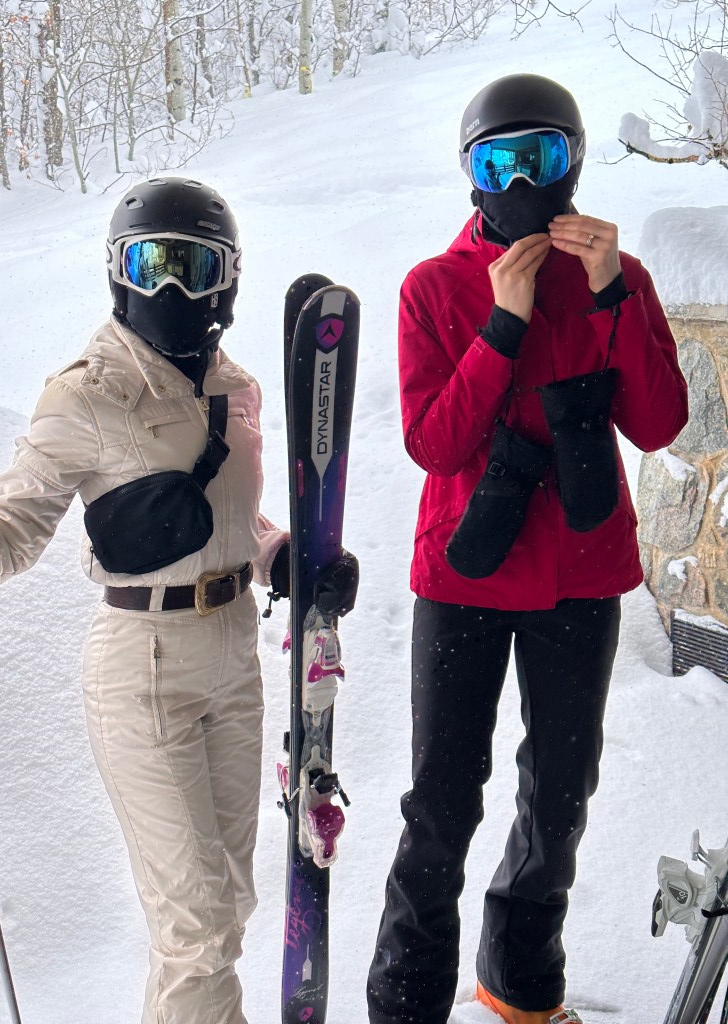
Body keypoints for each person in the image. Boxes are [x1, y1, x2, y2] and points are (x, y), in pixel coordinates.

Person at [0, 176, 357, 1024]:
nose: (170, 287)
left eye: (192, 265)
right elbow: (18, 517)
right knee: (197, 923)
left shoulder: (237, 389)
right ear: (118, 271)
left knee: (231, 905)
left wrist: (286, 558)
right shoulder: (84, 392)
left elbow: (234, 524)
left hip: (234, 654)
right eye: (151, 263)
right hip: (141, 667)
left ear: (228, 277)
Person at [366, 75, 688, 1024]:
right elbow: (435, 444)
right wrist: (501, 326)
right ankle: (407, 1003)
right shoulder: (433, 285)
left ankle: (520, 988)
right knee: (441, 806)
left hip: (579, 575)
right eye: (493, 162)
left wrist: (610, 295)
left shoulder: (618, 278)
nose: (517, 181)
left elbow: (661, 423)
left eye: (536, 158)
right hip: (464, 574)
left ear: (572, 162)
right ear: (468, 175)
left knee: (558, 800)